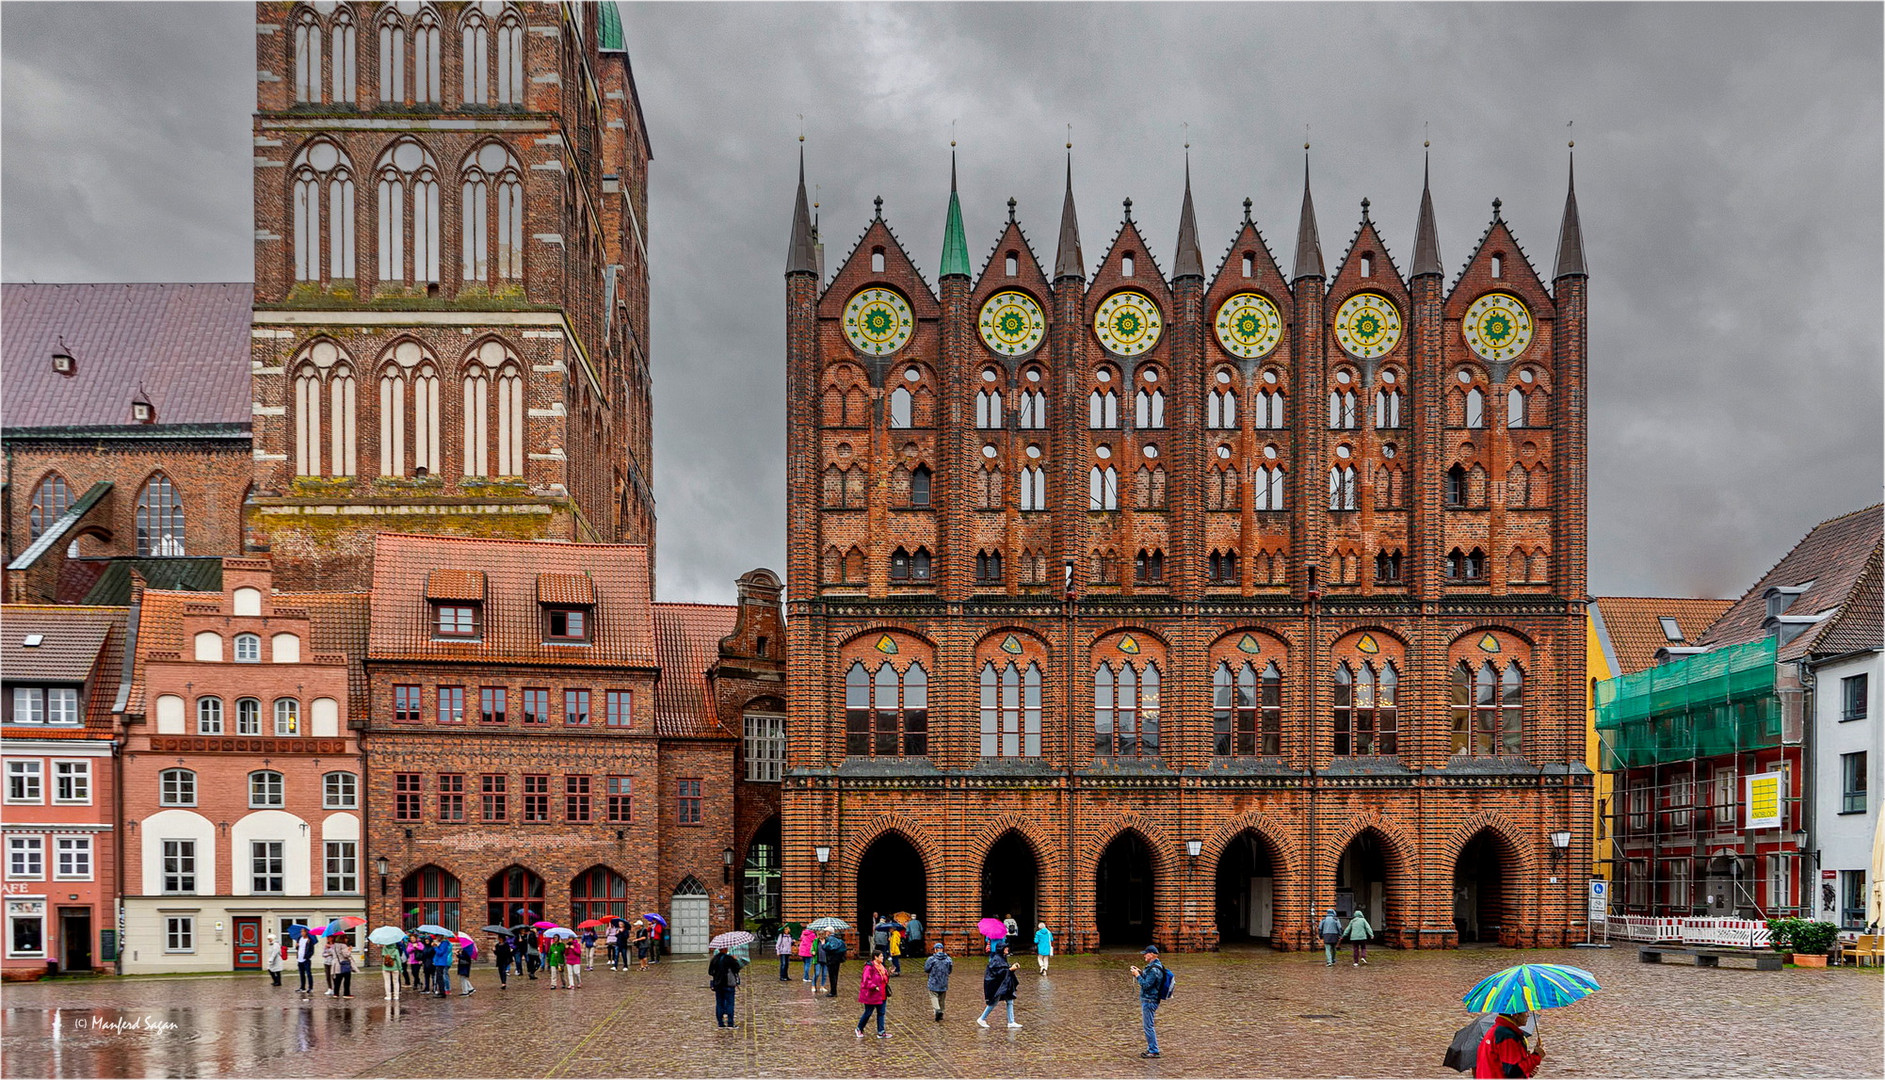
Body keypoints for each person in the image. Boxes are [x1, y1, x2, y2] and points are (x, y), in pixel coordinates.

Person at [1474, 1012, 1543, 1078]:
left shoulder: (1495, 1031)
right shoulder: (1507, 1036)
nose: (1528, 1015)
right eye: (1526, 1012)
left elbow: (1502, 1066)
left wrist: (1528, 1071)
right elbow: (1512, 1072)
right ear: (1515, 1015)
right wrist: (1536, 1056)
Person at [1130, 945, 1166, 1059]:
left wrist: (1137, 976)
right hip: (1151, 999)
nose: (1144, 955)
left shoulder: (1154, 969)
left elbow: (1146, 985)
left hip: (1150, 1000)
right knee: (1148, 1025)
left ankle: (1154, 1050)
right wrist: (1140, 972)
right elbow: (1149, 980)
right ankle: (1152, 1048)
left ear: (1151, 954)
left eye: (1146, 953)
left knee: (1148, 1026)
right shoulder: (1155, 966)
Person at [976, 942, 1021, 1029]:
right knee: (993, 1002)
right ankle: (982, 1018)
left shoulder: (1002, 958)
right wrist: (1010, 969)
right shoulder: (997, 959)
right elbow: (999, 972)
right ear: (1001, 949)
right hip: (997, 985)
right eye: (1005, 948)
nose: (1007, 949)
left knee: (1010, 1000)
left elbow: (1003, 969)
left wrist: (1011, 969)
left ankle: (1011, 1021)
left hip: (1003, 984)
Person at [855, 951, 890, 1039]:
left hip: (882, 993)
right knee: (868, 1012)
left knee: (881, 1013)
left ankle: (881, 1031)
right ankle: (859, 1028)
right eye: (881, 956)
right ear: (876, 957)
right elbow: (865, 980)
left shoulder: (882, 966)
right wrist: (874, 986)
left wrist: (889, 973)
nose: (883, 958)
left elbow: (884, 977)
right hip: (872, 994)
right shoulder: (869, 967)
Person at [709, 946, 740, 1028]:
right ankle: (730, 1023)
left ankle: (720, 1023)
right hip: (728, 984)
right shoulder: (729, 959)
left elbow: (710, 972)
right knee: (730, 1004)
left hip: (718, 984)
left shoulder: (715, 959)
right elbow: (737, 968)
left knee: (719, 1004)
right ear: (725, 949)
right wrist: (735, 959)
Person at [923, 940, 952, 1022]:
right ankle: (941, 1013)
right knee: (942, 998)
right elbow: (950, 970)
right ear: (942, 949)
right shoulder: (948, 959)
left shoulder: (931, 959)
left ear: (935, 950)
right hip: (944, 982)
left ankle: (937, 1009)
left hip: (933, 981)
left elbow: (926, 969)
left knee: (933, 996)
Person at [822, 930, 847, 997]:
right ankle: (834, 990)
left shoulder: (830, 939)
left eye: (826, 932)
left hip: (831, 959)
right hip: (838, 959)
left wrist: (823, 945)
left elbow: (829, 948)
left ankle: (833, 992)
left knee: (832, 976)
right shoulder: (839, 938)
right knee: (835, 975)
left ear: (828, 932)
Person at [295, 928, 317, 994]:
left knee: (308, 973)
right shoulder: (299, 938)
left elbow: (312, 951)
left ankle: (310, 987)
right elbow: (298, 948)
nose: (301, 933)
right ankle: (302, 987)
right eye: (301, 931)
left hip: (306, 959)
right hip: (300, 959)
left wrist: (307, 956)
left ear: (306, 932)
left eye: (303, 931)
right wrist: (296, 946)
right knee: (301, 974)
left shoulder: (309, 940)